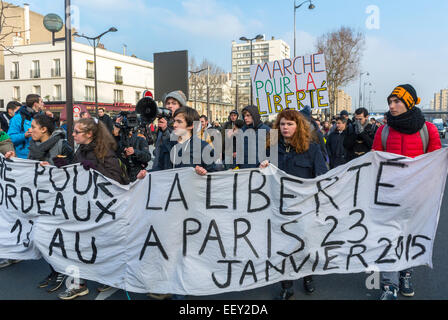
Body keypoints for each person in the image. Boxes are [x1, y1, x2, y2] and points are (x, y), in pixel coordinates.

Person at [372, 84, 441, 300]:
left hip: (417, 197)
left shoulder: (428, 130)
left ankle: (406, 273)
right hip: (389, 197)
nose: (391, 106)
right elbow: (374, 161)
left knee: (411, 237)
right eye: (390, 102)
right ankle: (388, 284)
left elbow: (436, 163)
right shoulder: (383, 131)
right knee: (388, 238)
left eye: (397, 101)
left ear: (409, 102)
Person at [57, 118, 136, 300]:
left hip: (101, 210)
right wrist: (61, 167)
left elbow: (117, 179)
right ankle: (79, 284)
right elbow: (76, 173)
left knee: (101, 246)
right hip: (84, 208)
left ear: (89, 134)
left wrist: (94, 169)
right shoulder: (81, 150)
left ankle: (108, 278)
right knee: (78, 246)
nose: (73, 135)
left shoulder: (105, 151)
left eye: (77, 132)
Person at [147, 106, 215, 300]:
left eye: (178, 122)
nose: (173, 124)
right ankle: (168, 284)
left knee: (185, 250)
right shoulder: (166, 144)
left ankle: (179, 292)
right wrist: (145, 176)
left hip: (191, 207)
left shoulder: (203, 148)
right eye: (173, 121)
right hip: (169, 205)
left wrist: (205, 173)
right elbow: (158, 169)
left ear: (191, 127)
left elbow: (217, 174)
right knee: (168, 247)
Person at [259, 109, 328, 300]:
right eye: (282, 124)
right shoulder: (270, 148)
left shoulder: (312, 148)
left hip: (304, 208)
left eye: (289, 124)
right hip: (278, 207)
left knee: (306, 245)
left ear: (298, 126)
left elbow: (321, 176)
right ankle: (287, 284)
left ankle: (307, 276)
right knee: (283, 247)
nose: (285, 127)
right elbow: (260, 180)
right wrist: (262, 168)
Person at [19, 114, 73, 292]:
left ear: (44, 130)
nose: (30, 130)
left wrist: (52, 166)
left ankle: (62, 271)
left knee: (57, 238)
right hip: (41, 199)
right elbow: (29, 166)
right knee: (43, 238)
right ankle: (54, 269)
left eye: (33, 127)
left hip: (59, 200)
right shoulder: (34, 146)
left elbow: (71, 168)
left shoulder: (62, 144)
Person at [151, 90, 187, 171]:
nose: (170, 106)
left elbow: (175, 148)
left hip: (172, 170)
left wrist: (165, 130)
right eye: (168, 103)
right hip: (159, 168)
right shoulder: (164, 123)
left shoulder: (184, 125)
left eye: (174, 103)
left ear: (180, 107)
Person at [7, 94, 45, 158]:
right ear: (35, 104)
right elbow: (10, 138)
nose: (43, 104)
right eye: (41, 102)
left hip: (41, 155)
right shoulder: (17, 118)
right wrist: (24, 135)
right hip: (24, 157)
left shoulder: (42, 117)